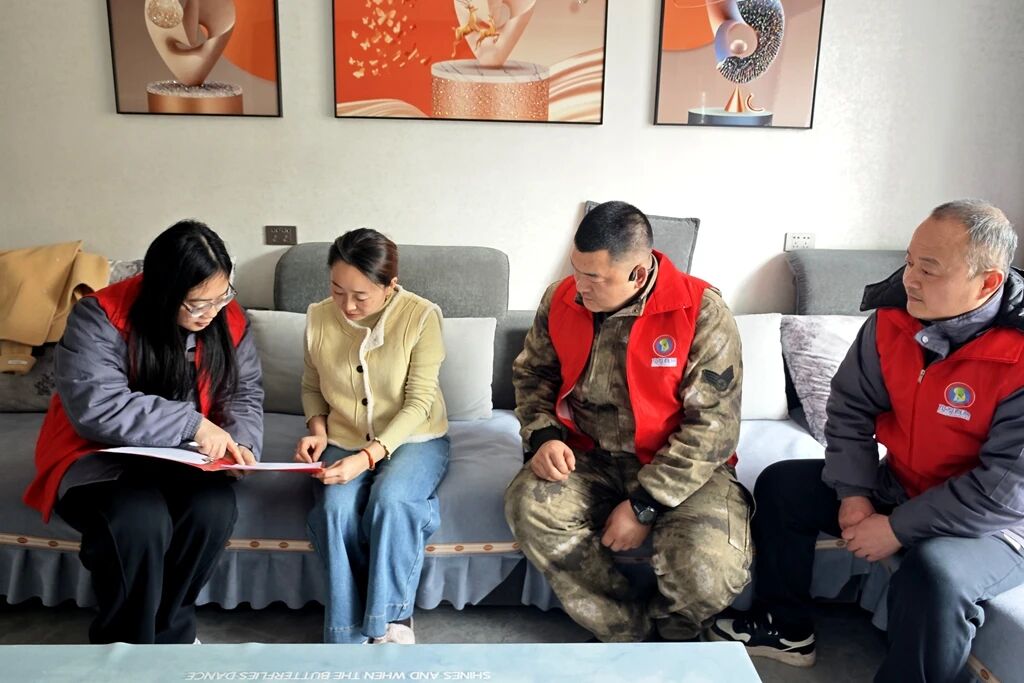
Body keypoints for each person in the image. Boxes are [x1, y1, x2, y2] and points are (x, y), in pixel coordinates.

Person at [710, 199, 1024, 682]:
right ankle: (784, 627)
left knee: (936, 574)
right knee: (783, 485)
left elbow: (1002, 490)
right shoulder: (893, 318)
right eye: (909, 262)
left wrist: (897, 528)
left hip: (995, 524)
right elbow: (850, 408)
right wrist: (854, 494)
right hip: (902, 483)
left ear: (987, 283)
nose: (910, 279)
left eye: (929, 269)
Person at [504, 200, 751, 642]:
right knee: (528, 505)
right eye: (576, 270)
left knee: (709, 570)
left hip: (680, 466)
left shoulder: (701, 311)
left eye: (593, 277)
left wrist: (645, 504)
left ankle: (674, 634)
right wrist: (543, 437)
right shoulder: (560, 298)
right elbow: (533, 375)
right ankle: (628, 633)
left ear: (637, 273)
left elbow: (713, 427)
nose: (579, 287)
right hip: (589, 457)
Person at [23, 219, 264, 644]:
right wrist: (193, 423)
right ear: (163, 291)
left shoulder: (229, 318)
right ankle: (127, 644)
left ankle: (173, 632)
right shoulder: (98, 315)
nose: (212, 312)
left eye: (222, 295)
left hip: (182, 457)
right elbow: (97, 405)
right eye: (197, 304)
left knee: (212, 509)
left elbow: (243, 394)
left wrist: (240, 444)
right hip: (96, 455)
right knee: (139, 519)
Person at [295, 228, 449, 645]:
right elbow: (311, 386)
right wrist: (317, 431)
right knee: (334, 509)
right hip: (343, 437)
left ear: (390, 285)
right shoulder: (318, 317)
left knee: (391, 500)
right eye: (337, 290)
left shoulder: (421, 317)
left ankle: (391, 621)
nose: (347, 306)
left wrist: (367, 457)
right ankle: (346, 632)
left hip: (415, 437)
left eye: (360, 296)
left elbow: (419, 403)